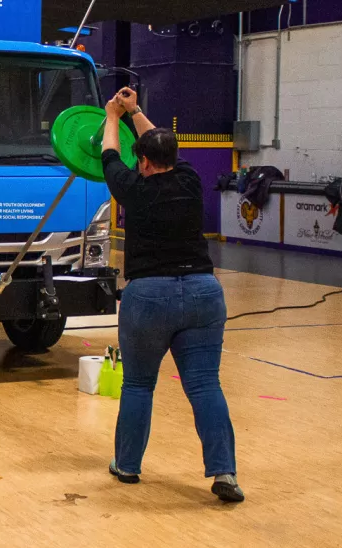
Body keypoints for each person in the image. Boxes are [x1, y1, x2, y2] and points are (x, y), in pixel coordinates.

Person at [100, 87, 243, 503]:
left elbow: (109, 152)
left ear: (142, 161)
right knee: (204, 386)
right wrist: (137, 111)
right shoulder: (190, 179)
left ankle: (127, 466)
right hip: (203, 292)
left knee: (139, 385)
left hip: (148, 297)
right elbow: (162, 147)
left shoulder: (131, 186)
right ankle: (226, 473)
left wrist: (114, 115)